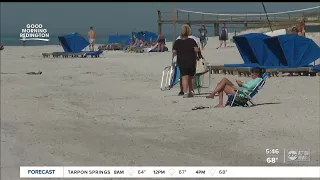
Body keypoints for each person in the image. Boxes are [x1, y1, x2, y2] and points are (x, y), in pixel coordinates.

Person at [172, 24, 200, 98]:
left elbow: (174, 51)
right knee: (191, 77)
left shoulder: (177, 42)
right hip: (191, 61)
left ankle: (185, 92)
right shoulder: (192, 41)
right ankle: (191, 91)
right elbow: (196, 49)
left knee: (184, 77)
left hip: (182, 61)